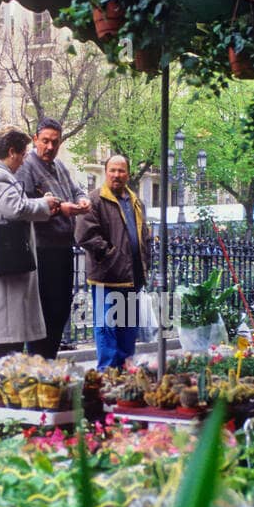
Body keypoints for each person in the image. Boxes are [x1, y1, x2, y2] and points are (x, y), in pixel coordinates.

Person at [0, 125, 80, 360]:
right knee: (5, 347)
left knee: (11, 342)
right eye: (22, 154)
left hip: (10, 262)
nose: (23, 161)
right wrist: (46, 204)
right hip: (6, 265)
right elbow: (15, 208)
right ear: (12, 152)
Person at [15, 117, 92, 358]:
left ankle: (49, 361)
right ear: (35, 139)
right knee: (44, 312)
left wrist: (82, 199)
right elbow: (21, 206)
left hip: (63, 249)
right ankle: (39, 364)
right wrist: (60, 209)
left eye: (55, 142)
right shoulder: (26, 167)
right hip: (41, 251)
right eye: (45, 141)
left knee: (60, 310)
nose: (50, 147)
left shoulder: (59, 166)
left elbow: (76, 188)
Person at [75, 154, 153, 370]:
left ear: (128, 174)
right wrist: (111, 255)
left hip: (132, 277)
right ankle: (107, 375)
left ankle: (125, 374)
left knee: (128, 329)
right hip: (107, 278)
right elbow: (85, 235)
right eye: (112, 170)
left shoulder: (136, 202)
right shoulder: (94, 200)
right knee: (107, 328)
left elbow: (143, 236)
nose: (117, 175)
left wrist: (145, 261)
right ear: (106, 172)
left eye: (121, 170)